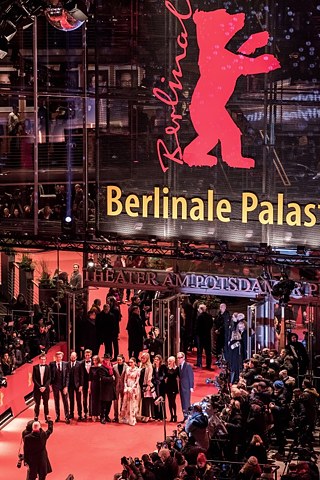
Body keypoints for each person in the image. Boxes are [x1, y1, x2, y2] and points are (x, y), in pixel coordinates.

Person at [49, 351, 70, 424]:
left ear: (62, 357)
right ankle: (57, 416)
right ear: (56, 357)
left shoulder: (66, 364)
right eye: (57, 357)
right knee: (56, 401)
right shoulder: (52, 364)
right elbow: (50, 375)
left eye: (60, 357)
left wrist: (66, 387)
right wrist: (51, 384)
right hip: (55, 385)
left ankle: (67, 417)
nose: (59, 358)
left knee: (65, 401)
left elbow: (67, 376)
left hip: (63, 385)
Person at [120, 357, 140, 426]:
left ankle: (132, 419)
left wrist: (132, 388)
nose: (130, 364)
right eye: (129, 362)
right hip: (127, 387)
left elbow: (137, 380)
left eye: (131, 362)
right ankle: (125, 418)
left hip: (133, 388)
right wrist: (126, 387)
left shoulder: (137, 370)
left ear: (135, 362)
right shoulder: (127, 369)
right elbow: (125, 379)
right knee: (125, 402)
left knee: (132, 403)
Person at [97, 354, 116, 423]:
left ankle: (106, 415)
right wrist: (111, 378)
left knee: (109, 403)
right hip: (104, 388)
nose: (107, 360)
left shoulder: (111, 366)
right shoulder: (101, 368)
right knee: (103, 404)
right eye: (106, 359)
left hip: (110, 388)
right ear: (104, 360)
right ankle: (102, 417)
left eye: (108, 359)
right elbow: (103, 378)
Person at [32, 354, 51, 422]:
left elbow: (49, 378)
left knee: (46, 403)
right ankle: (36, 417)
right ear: (39, 359)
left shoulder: (48, 367)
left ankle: (47, 416)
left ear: (45, 360)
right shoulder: (35, 367)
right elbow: (34, 379)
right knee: (37, 403)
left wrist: (44, 387)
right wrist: (40, 387)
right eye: (42, 359)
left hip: (45, 389)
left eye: (44, 359)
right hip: (37, 389)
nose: (43, 360)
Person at [195, 304, 213, 370]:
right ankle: (208, 365)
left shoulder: (199, 317)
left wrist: (196, 334)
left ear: (201, 309)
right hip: (207, 336)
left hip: (200, 336)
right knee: (208, 351)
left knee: (199, 351)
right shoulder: (209, 316)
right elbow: (211, 325)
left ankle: (199, 363)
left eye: (199, 309)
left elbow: (197, 327)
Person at [177, 351, 194, 422]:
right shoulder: (179, 366)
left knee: (187, 402)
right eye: (177, 358)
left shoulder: (188, 366)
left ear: (183, 358)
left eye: (180, 358)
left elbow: (191, 376)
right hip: (181, 387)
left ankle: (189, 416)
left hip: (186, 387)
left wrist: (191, 386)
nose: (178, 359)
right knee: (183, 401)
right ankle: (185, 416)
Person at [66, 351, 83, 421]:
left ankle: (80, 414)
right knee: (71, 400)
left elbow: (82, 375)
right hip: (70, 385)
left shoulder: (79, 364)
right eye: (71, 356)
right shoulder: (68, 364)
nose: (73, 358)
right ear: (70, 357)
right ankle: (71, 414)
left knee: (79, 400)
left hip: (77, 385)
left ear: (76, 357)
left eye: (74, 356)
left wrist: (81, 385)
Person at [139, 351, 155, 421]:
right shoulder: (140, 365)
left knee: (147, 400)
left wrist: (148, 385)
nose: (142, 359)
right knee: (143, 400)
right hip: (141, 384)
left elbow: (149, 376)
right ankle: (144, 414)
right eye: (141, 358)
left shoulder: (149, 366)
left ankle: (148, 415)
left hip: (147, 385)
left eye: (144, 358)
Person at [113, 354, 127, 423]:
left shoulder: (126, 367)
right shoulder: (114, 367)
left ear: (123, 360)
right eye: (117, 360)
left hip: (124, 386)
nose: (118, 361)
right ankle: (115, 416)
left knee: (123, 401)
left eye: (120, 360)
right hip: (116, 386)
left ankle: (122, 415)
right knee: (115, 401)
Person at [152, 354, 167, 420]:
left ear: (160, 360)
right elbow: (152, 375)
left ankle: (162, 415)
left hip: (161, 385)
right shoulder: (153, 367)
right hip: (155, 385)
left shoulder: (163, 367)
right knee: (155, 399)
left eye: (157, 360)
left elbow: (164, 375)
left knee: (161, 399)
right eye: (155, 359)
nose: (156, 361)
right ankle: (156, 415)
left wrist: (160, 379)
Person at [165, 355, 179, 422]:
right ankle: (171, 415)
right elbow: (165, 376)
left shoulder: (177, 368)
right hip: (168, 386)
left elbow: (179, 377)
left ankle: (175, 415)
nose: (169, 362)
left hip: (174, 386)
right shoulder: (167, 368)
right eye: (168, 361)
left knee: (173, 401)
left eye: (170, 361)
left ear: (173, 361)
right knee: (169, 402)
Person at [88, 354, 101, 421]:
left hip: (99, 384)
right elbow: (90, 379)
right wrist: (89, 388)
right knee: (93, 400)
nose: (94, 361)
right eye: (93, 360)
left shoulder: (100, 367)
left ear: (98, 360)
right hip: (93, 384)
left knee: (99, 399)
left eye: (95, 360)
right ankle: (93, 414)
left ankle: (98, 414)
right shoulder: (91, 368)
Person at [80, 349, 92, 421]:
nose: (87, 356)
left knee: (91, 398)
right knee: (84, 398)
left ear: (90, 355)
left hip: (92, 383)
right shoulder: (81, 363)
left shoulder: (94, 363)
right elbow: (80, 375)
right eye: (86, 355)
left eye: (88, 355)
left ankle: (91, 413)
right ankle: (85, 412)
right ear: (84, 355)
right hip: (84, 383)